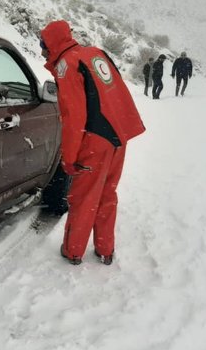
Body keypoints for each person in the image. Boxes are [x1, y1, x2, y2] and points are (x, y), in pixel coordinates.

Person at [40, 20, 145, 266]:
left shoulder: (67, 65)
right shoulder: (95, 53)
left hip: (95, 140)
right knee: (107, 193)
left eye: (42, 44)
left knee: (83, 197)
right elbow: (116, 90)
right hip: (118, 135)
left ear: (52, 43)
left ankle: (74, 251)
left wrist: (69, 158)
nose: (41, 51)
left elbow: (74, 117)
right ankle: (105, 250)